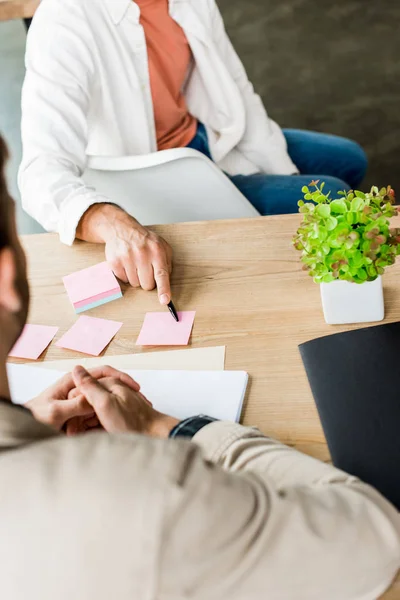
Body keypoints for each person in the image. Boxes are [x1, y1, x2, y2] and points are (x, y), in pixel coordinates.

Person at [1, 135, 399, 599]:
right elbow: (371, 537)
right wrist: (166, 426)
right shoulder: (148, 493)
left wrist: (26, 424)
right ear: (6, 276)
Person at [19, 0, 367, 305]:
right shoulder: (63, 20)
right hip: (157, 174)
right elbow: (41, 171)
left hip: (203, 134)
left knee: (350, 159)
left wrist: (282, 172)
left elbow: (237, 87)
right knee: (333, 194)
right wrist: (113, 222)